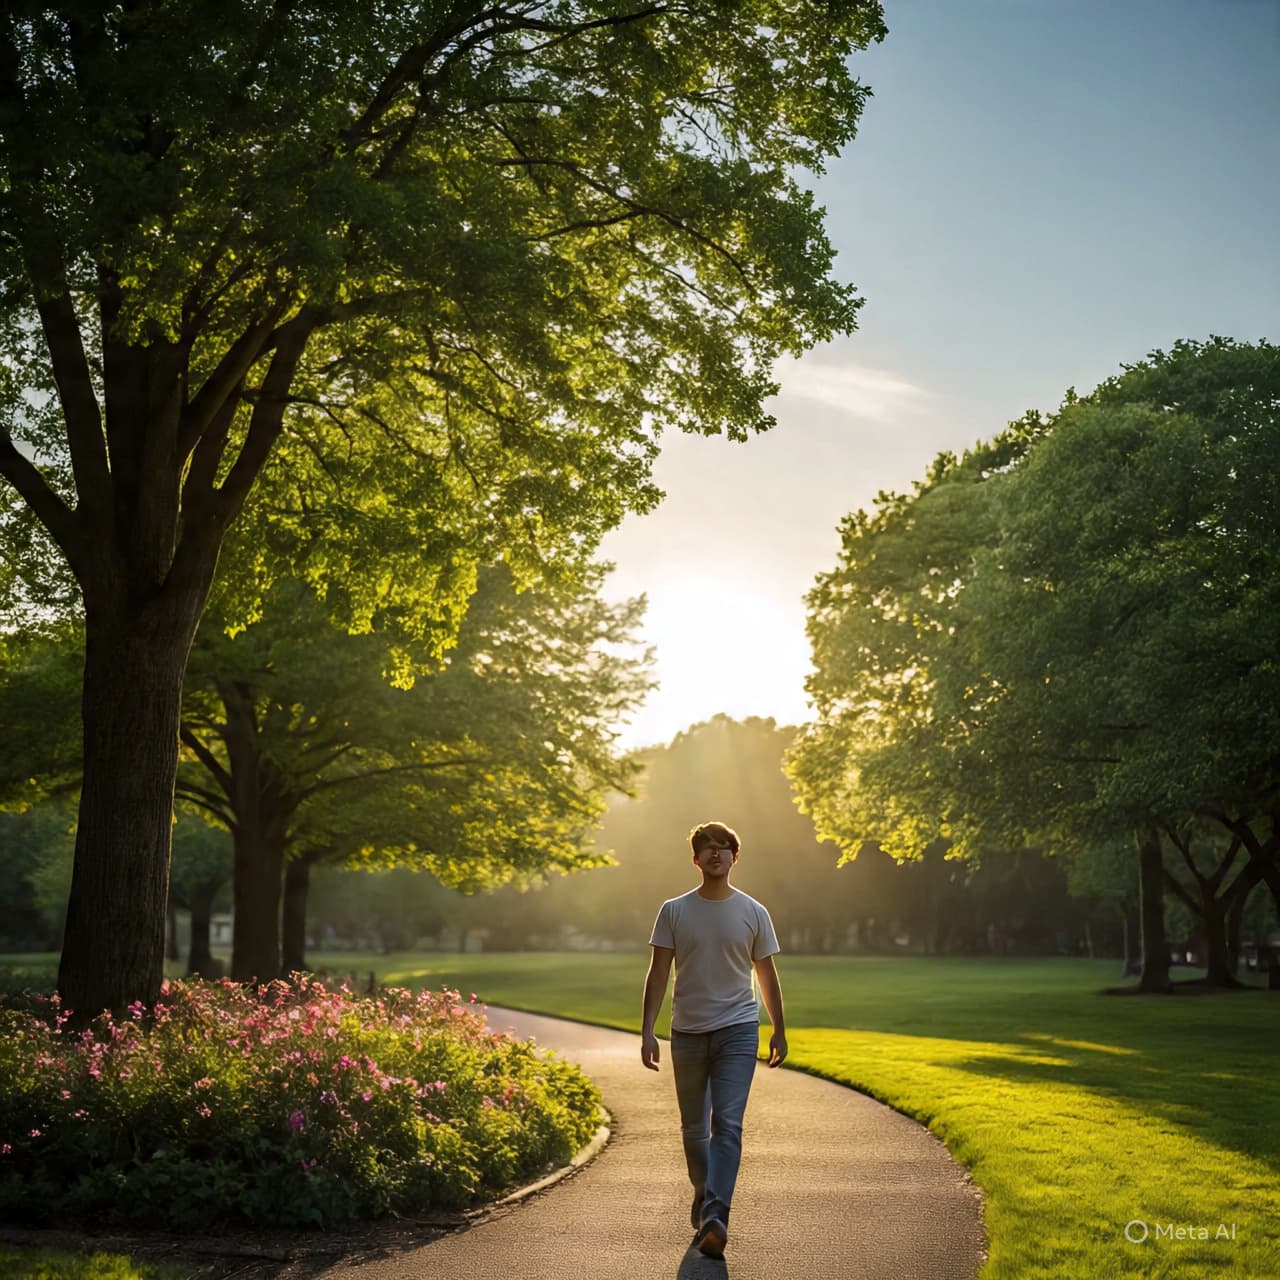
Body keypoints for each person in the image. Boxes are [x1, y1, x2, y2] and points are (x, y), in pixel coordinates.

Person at [640, 820, 787, 1260]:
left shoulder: (754, 912)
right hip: (686, 1033)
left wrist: (779, 1026)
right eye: (708, 848)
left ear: (734, 857)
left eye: (724, 848)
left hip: (739, 1030)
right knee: (692, 1130)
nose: (717, 854)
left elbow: (766, 974)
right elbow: (659, 973)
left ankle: (716, 1216)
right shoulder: (674, 911)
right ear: (696, 858)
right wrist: (648, 1030)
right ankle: (706, 1195)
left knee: (728, 1124)